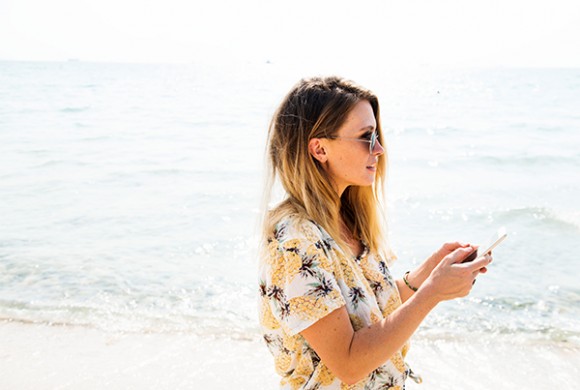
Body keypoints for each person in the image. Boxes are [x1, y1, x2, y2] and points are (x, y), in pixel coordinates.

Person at [258, 76, 492, 389]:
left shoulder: (346, 219)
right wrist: (433, 292)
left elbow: (365, 307)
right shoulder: (295, 243)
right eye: (366, 137)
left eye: (377, 135)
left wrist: (426, 275)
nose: (379, 149)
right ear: (319, 148)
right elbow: (349, 363)